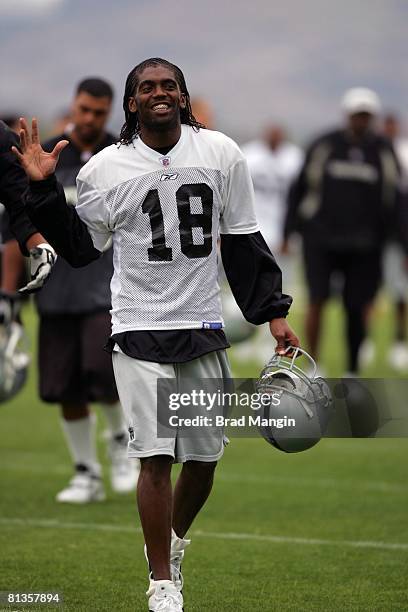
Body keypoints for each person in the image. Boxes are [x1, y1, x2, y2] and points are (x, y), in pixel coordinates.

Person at [15, 58, 299, 612]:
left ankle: (169, 543)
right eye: (147, 88)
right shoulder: (104, 168)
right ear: (132, 103)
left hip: (201, 322)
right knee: (155, 456)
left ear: (185, 96)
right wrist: (46, 191)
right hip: (138, 325)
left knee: (205, 459)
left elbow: (242, 239)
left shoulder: (220, 152)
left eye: (170, 85)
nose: (159, 94)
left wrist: (273, 313)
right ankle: (162, 582)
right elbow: (79, 249)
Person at [7, 78, 139, 503]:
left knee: (103, 376)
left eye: (99, 112)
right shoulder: (44, 155)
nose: (89, 119)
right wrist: (9, 297)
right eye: (84, 109)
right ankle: (86, 472)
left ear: (110, 113)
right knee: (63, 386)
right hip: (56, 286)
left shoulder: (122, 158)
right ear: (73, 106)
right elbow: (15, 227)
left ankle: (121, 446)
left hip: (107, 285)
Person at [283, 87, 400, 375]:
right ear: (347, 115)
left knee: (357, 307)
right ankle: (314, 365)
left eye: (367, 115)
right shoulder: (325, 145)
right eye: (357, 114)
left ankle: (352, 370)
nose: (361, 120)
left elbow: (395, 198)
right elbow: (299, 190)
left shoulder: (383, 150)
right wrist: (289, 232)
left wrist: (399, 240)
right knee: (317, 300)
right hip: (321, 239)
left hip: (366, 244)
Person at [382, 113, 408, 370]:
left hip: (398, 237)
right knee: (367, 292)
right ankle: (366, 341)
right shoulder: (373, 152)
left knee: (400, 292)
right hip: (373, 235)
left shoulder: (403, 153)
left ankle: (399, 342)